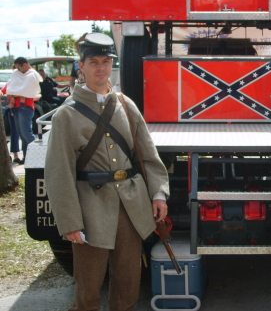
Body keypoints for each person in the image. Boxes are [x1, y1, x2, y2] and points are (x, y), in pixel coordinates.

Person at [45, 33, 170, 311]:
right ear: (82, 66)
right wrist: (69, 222)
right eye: (94, 62)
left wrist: (159, 193)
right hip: (90, 210)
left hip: (131, 206)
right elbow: (59, 173)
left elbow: (148, 156)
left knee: (128, 284)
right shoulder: (65, 116)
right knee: (88, 288)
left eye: (106, 61)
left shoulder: (125, 105)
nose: (101, 67)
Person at [5, 57, 42, 162]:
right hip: (16, 107)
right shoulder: (18, 75)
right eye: (17, 68)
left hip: (25, 107)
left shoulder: (32, 75)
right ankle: (27, 157)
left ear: (25, 65)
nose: (18, 70)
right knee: (21, 133)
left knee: (26, 133)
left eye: (19, 67)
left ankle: (38, 154)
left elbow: (28, 91)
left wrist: (13, 94)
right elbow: (9, 88)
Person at [1, 85, 22, 164]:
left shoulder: (26, 79)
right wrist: (9, 97)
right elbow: (2, 92)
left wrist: (13, 96)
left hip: (24, 107)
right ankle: (15, 155)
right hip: (12, 109)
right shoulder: (11, 82)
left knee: (24, 133)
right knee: (14, 132)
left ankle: (26, 155)